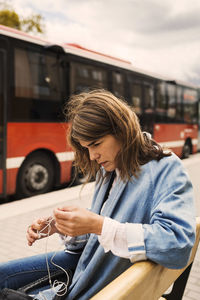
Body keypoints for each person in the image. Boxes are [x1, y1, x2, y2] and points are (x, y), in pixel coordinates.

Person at [0, 90, 196, 299]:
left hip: (94, 281)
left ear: (122, 129)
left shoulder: (165, 168)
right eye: (86, 148)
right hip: (87, 268)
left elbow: (178, 243)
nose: (92, 156)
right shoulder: (110, 169)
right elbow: (103, 234)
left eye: (96, 144)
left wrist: (97, 224)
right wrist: (65, 227)